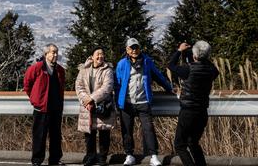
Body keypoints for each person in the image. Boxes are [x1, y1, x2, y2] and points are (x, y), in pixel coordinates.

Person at [115, 37, 174, 166]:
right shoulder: (121, 64)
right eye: (131, 48)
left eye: (136, 47)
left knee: (149, 129)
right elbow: (117, 84)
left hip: (143, 102)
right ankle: (129, 155)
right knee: (127, 130)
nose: (134, 50)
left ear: (139, 48)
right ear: (127, 50)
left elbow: (158, 76)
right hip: (127, 102)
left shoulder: (147, 61)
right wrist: (117, 102)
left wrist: (170, 88)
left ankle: (154, 156)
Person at [168, 41, 219, 166]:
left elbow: (171, 65)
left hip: (188, 112)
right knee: (193, 143)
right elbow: (208, 65)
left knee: (180, 145)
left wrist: (179, 51)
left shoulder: (187, 70)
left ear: (195, 55)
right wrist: (202, 56)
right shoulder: (212, 71)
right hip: (202, 112)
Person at [24, 43, 66, 166]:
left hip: (56, 108)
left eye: (56, 52)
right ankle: (37, 160)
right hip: (41, 108)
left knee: (56, 135)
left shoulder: (60, 70)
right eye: (53, 52)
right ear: (46, 54)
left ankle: (55, 159)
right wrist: (35, 99)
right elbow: (27, 84)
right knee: (39, 136)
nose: (55, 55)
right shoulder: (37, 68)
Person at [75, 46, 115, 166]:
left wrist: (91, 99)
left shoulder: (107, 69)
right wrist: (86, 100)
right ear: (92, 57)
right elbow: (79, 86)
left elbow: (107, 87)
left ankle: (102, 157)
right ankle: (90, 156)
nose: (100, 56)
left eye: (102, 54)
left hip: (102, 105)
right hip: (88, 107)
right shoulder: (84, 69)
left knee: (104, 133)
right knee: (89, 133)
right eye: (97, 54)